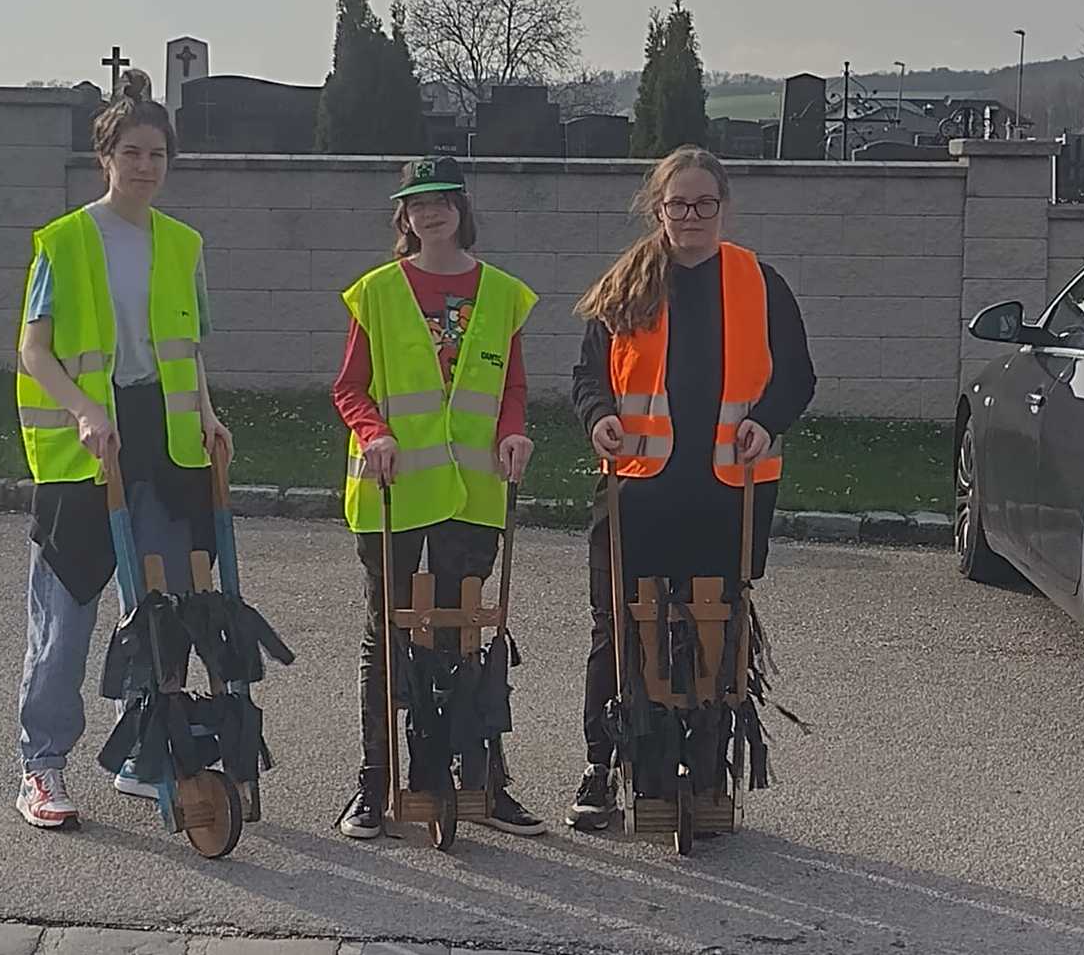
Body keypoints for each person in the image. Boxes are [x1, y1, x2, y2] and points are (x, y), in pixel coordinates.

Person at [564, 144, 816, 830]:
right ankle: (601, 765)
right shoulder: (627, 284)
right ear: (659, 209)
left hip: (727, 495)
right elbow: (589, 376)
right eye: (679, 203)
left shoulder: (760, 283)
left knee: (716, 626)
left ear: (724, 207)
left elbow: (797, 376)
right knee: (617, 625)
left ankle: (706, 769)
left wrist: (766, 421)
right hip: (637, 494)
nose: (693, 215)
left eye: (705, 203)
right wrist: (599, 416)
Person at [14, 68, 232, 829]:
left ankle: (145, 750)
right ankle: (42, 764)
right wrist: (82, 411)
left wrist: (210, 415)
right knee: (66, 614)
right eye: (131, 152)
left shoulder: (183, 244)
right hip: (86, 445)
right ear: (105, 157)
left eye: (157, 154)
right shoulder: (65, 242)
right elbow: (33, 350)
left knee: (163, 606)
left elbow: (188, 350)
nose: (145, 166)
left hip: (164, 440)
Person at [331, 155, 547, 840]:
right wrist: (374, 433)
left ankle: (479, 781)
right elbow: (350, 387)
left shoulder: (502, 294)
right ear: (404, 216)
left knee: (465, 632)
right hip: (393, 487)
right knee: (387, 631)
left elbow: (512, 387)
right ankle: (375, 781)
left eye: (442, 201)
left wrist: (513, 432)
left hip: (473, 489)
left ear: (461, 208)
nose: (431, 213)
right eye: (417, 203)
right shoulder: (377, 291)